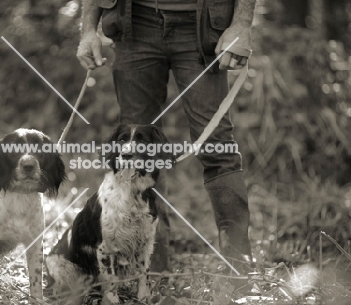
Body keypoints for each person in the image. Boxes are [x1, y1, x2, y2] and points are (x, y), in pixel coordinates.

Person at [77, 0, 256, 278]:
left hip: (203, 27)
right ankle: (152, 273)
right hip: (134, 23)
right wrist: (88, 29)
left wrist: (242, 24)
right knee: (135, 154)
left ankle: (239, 273)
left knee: (217, 147)